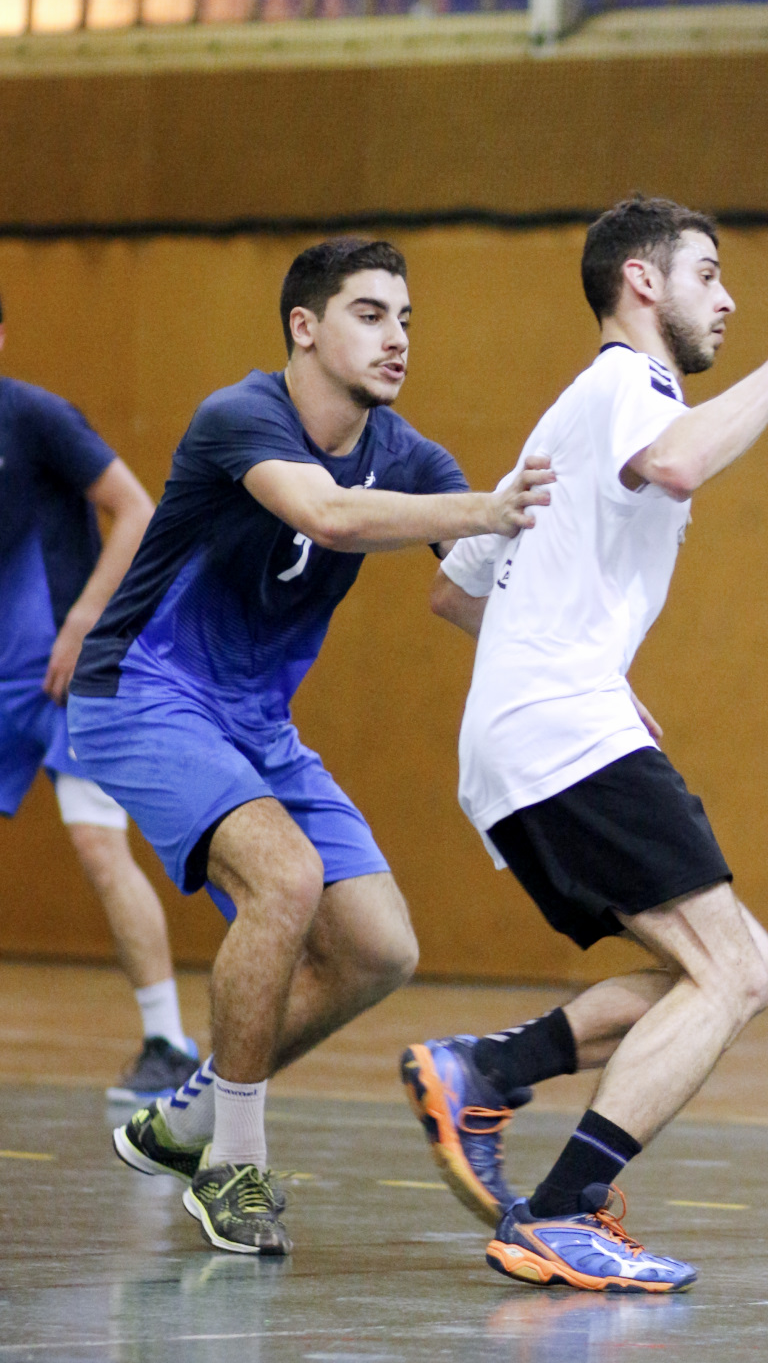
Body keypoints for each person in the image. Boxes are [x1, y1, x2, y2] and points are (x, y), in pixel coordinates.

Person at [68, 236, 554, 1257]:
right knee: (284, 880)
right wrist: (485, 504)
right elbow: (325, 515)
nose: (396, 337)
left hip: (256, 721)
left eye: (406, 319)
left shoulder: (407, 456)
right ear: (304, 326)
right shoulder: (239, 416)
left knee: (378, 948)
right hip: (142, 691)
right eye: (370, 314)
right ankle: (231, 1165)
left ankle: (190, 1118)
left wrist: (584, 666)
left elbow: (468, 589)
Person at [401, 197, 768, 1292]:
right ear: (642, 280)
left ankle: (485, 1070)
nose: (726, 298)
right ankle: (561, 1211)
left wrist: (584, 657)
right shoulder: (628, 386)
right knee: (735, 969)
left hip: (538, 727)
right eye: (707, 273)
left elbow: (456, 594)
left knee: (720, 971)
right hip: (561, 730)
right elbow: (678, 465)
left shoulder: (575, 413)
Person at [0, 291, 200, 1103]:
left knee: (96, 844)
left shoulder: (36, 417)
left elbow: (135, 510)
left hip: (63, 675)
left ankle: (168, 1043)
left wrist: (86, 619)